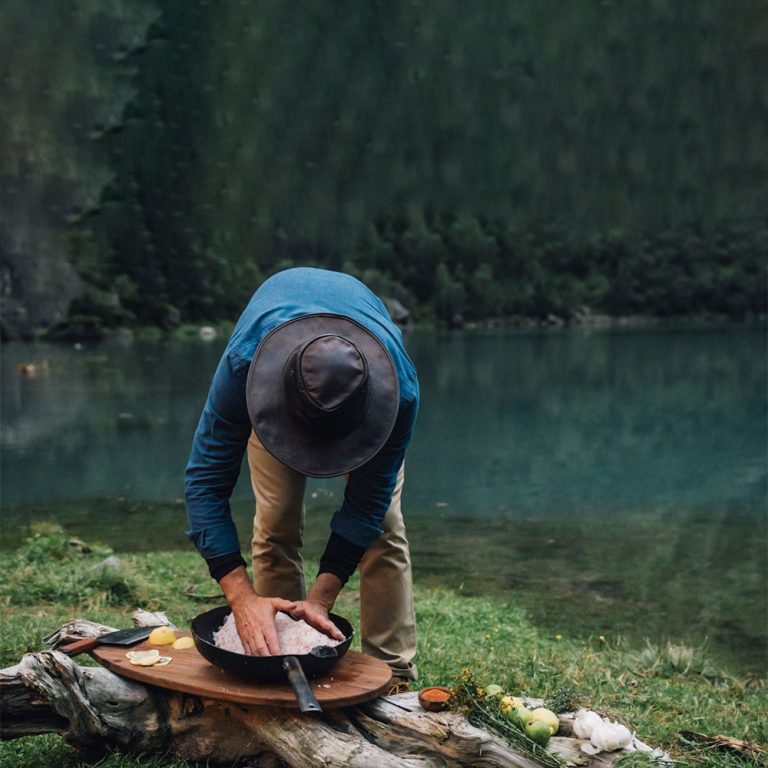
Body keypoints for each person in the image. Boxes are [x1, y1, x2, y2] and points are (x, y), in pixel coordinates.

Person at [184, 267, 420, 682]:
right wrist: (241, 597)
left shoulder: (398, 390)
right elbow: (205, 483)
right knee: (276, 520)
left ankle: (392, 673)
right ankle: (280, 660)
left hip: (364, 408)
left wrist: (321, 599)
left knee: (383, 526)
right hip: (281, 393)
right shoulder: (245, 367)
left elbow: (367, 504)